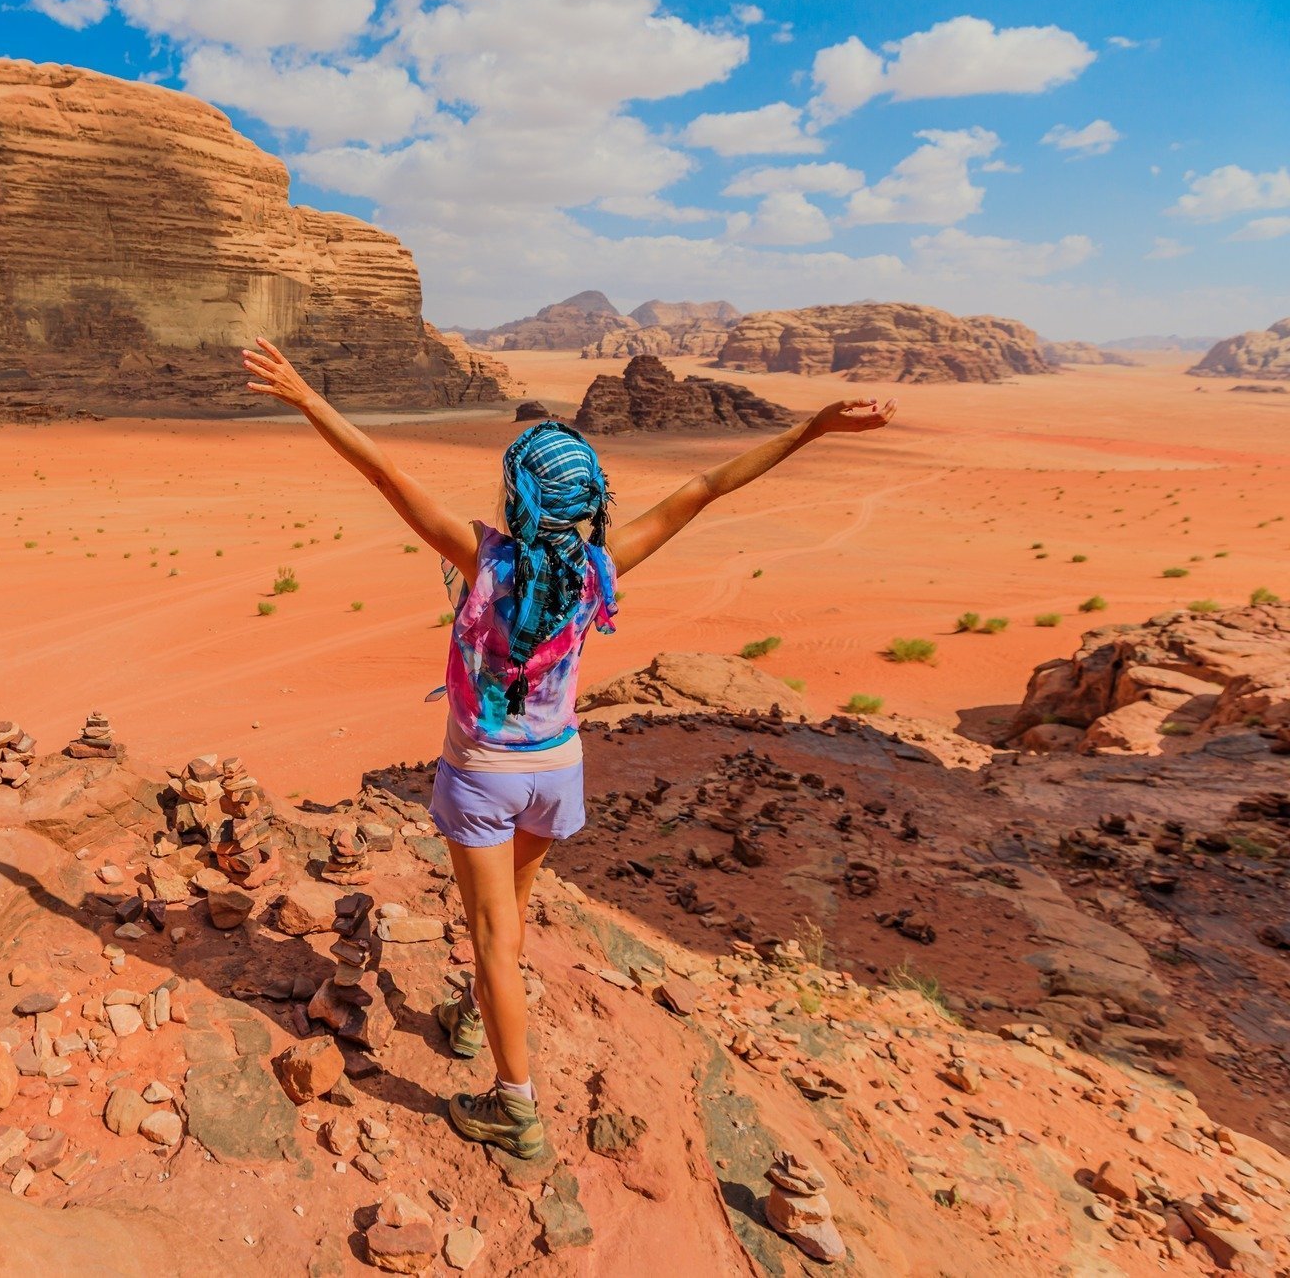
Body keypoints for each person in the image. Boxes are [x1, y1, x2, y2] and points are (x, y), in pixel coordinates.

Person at [240, 336, 897, 1160]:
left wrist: (306, 397)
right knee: (506, 923)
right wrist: (813, 429)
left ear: (517, 497)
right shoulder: (597, 568)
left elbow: (381, 472)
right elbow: (703, 489)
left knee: (492, 938)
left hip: (483, 776)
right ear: (584, 502)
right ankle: (473, 1013)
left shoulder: (482, 557)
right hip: (557, 773)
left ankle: (515, 1107)